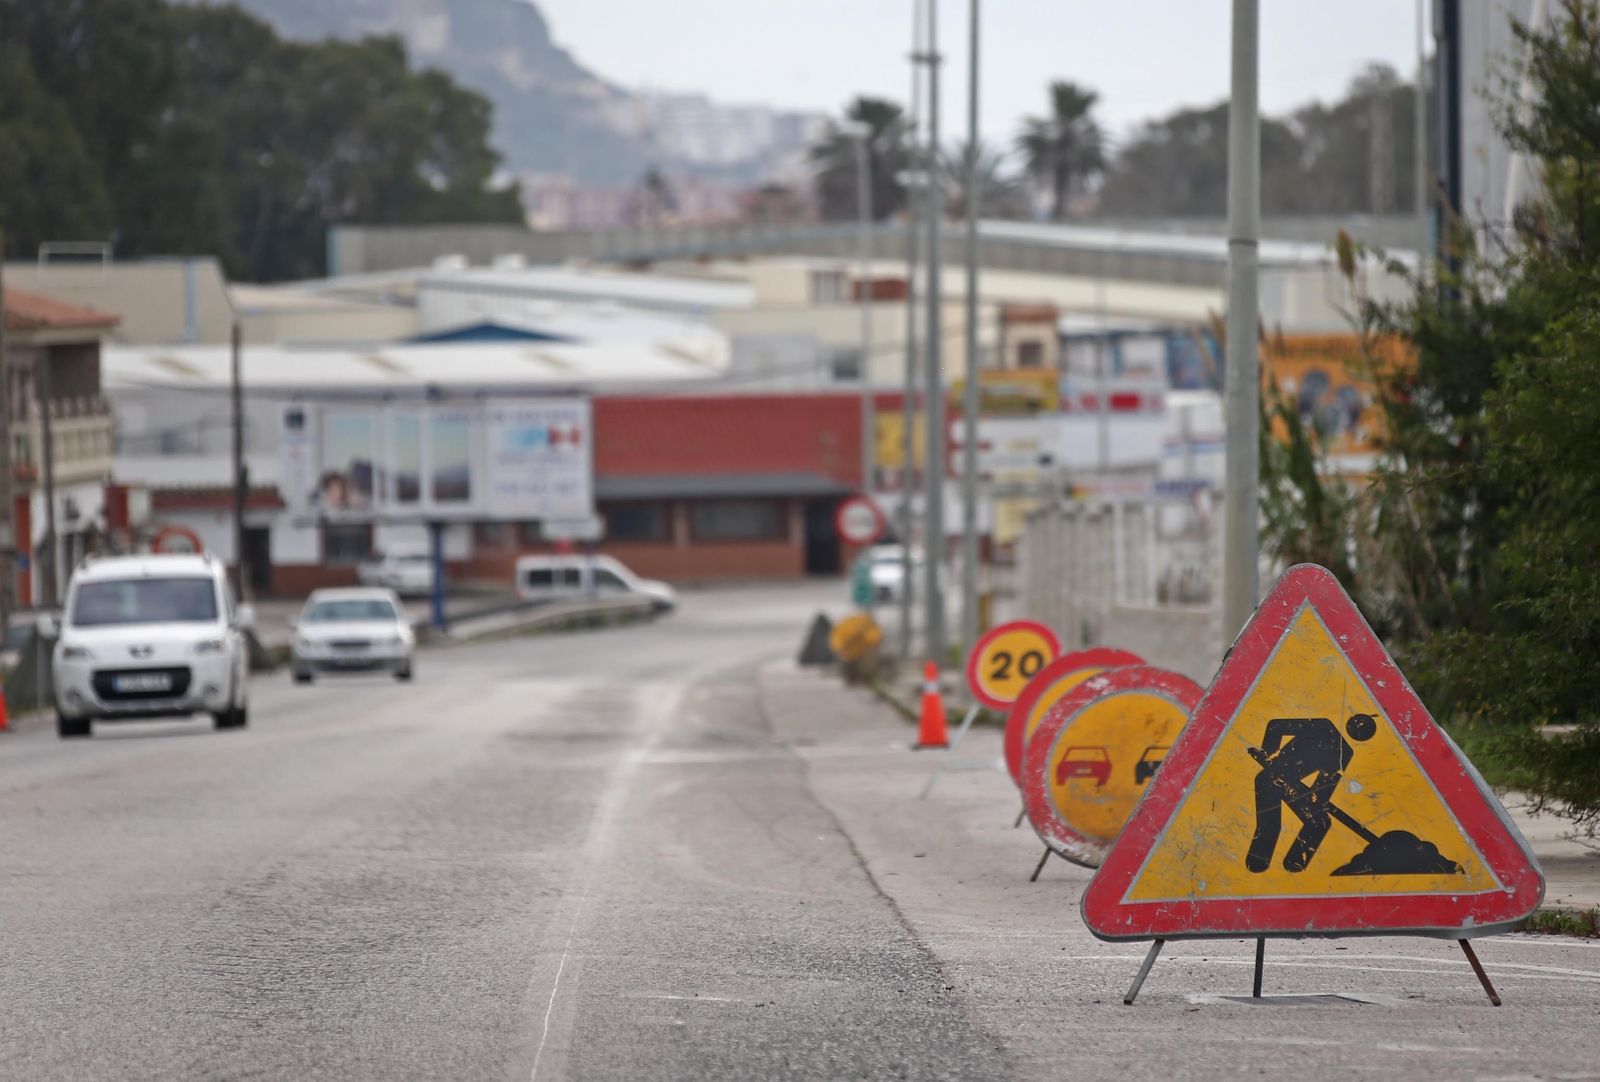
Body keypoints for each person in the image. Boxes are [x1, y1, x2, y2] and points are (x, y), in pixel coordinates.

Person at [1245, 713, 1376, 873]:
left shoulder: (1345, 753)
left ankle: (1293, 865)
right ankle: (1257, 863)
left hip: (1288, 783)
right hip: (1268, 779)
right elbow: (1275, 726)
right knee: (1271, 825)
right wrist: (1268, 754)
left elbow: (1323, 788)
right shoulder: (1323, 726)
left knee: (1319, 822)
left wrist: (1316, 800)